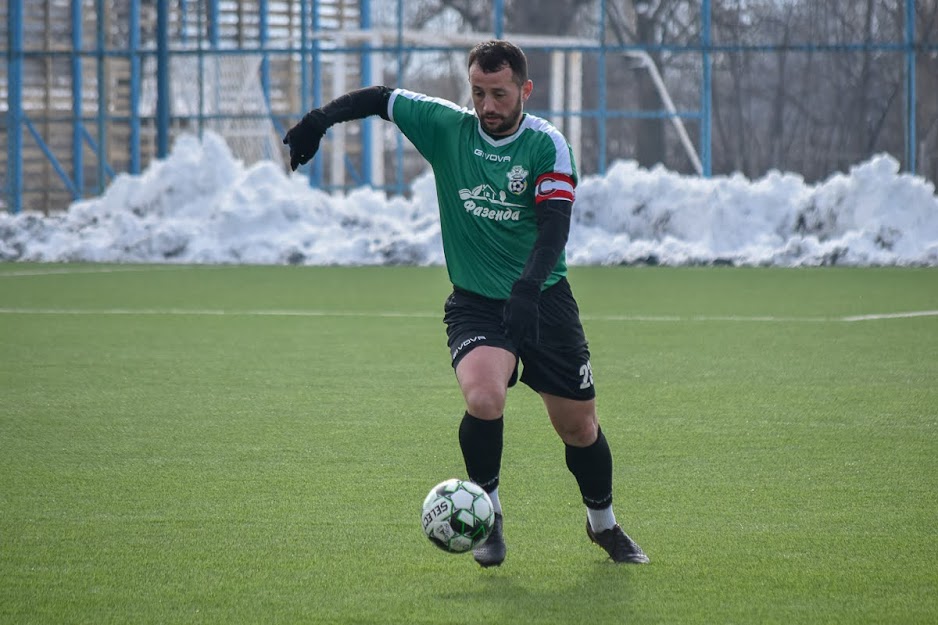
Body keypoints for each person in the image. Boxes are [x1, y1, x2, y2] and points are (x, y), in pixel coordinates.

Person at [283, 40, 648, 566]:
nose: (488, 106)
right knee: (483, 398)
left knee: (578, 427)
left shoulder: (547, 145)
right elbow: (381, 98)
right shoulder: (448, 127)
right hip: (476, 303)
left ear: (524, 90)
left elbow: (554, 227)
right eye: (478, 92)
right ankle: (488, 517)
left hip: (543, 299)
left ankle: (603, 526)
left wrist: (527, 288)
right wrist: (318, 120)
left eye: (500, 94)